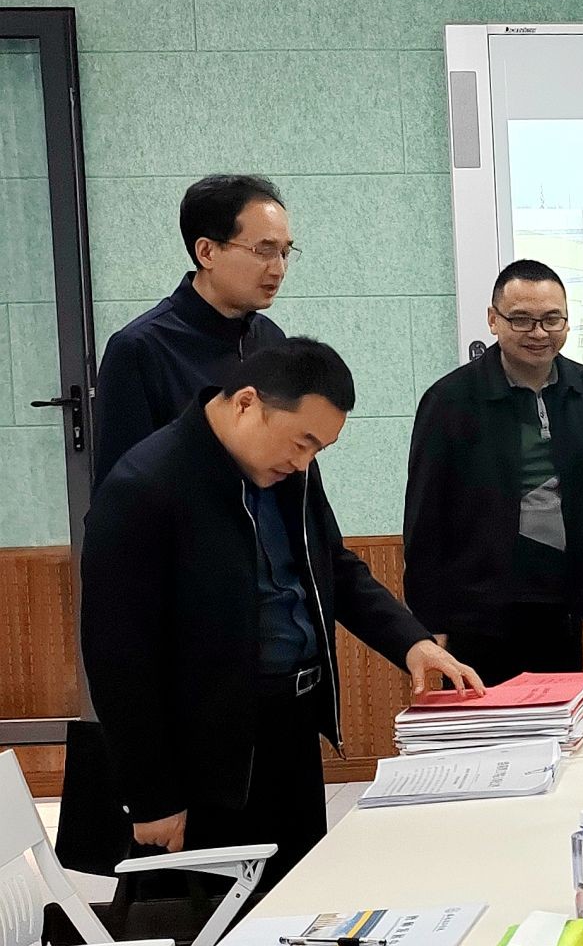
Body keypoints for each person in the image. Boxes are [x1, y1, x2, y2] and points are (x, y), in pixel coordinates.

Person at [79, 339, 484, 889]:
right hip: (210, 753)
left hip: (291, 724)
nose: (304, 462)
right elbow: (117, 657)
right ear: (247, 403)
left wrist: (411, 642)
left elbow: (333, 566)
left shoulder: (287, 473)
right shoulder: (144, 488)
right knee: (223, 917)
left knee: (298, 899)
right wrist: (152, 796)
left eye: (319, 450)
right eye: (302, 442)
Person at [57, 174, 293, 877]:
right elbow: (121, 514)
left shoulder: (271, 340)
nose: (278, 266)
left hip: (269, 645)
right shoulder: (143, 348)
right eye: (263, 249)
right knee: (206, 890)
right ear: (207, 250)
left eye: (287, 250)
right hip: (194, 650)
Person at [404, 260, 583, 685]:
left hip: (564, 605)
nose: (539, 332)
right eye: (521, 319)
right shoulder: (450, 400)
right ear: (493, 320)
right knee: (486, 722)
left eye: (551, 319)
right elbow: (425, 517)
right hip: (478, 613)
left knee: (558, 716)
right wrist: (428, 620)